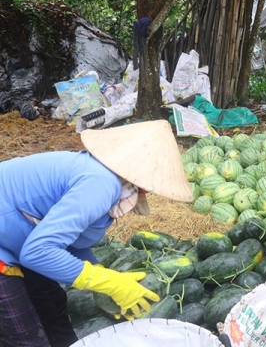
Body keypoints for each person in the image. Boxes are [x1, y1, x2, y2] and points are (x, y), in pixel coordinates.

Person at [0, 120, 193, 346]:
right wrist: (109, 283)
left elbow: (69, 237)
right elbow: (37, 253)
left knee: (51, 305)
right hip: (14, 246)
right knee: (25, 337)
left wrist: (96, 268)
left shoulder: (102, 177)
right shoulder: (101, 183)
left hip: (14, 239)